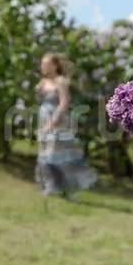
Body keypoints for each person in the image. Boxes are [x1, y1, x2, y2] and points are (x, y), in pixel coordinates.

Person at [35, 53, 97, 199]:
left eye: (47, 64)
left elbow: (64, 102)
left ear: (55, 66)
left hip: (58, 121)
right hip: (44, 119)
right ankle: (51, 186)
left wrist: (53, 122)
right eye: (42, 64)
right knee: (45, 154)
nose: (43, 67)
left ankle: (70, 190)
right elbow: (40, 100)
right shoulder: (43, 83)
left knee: (61, 157)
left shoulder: (61, 81)